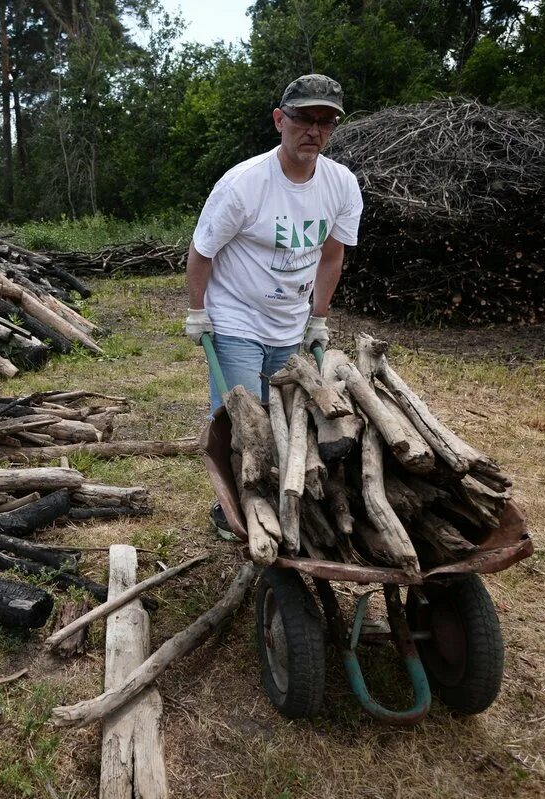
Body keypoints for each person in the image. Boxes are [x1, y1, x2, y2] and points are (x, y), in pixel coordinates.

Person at [184, 73, 363, 534]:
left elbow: (332, 254)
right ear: (280, 120)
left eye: (326, 123)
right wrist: (198, 310)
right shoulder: (244, 184)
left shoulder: (341, 185)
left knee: (286, 419)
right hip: (236, 316)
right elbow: (202, 250)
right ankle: (236, 510)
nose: (314, 132)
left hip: (289, 322)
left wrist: (318, 317)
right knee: (245, 417)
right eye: (304, 119)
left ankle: (283, 497)